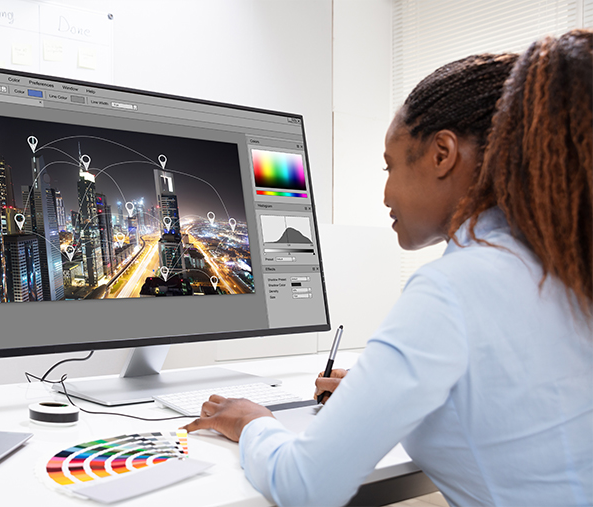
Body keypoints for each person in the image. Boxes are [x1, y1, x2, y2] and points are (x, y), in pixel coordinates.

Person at [184, 30, 592, 507]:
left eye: (389, 166)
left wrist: (252, 421)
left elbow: (304, 485)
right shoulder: (560, 265)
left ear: (442, 154)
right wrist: (377, 393)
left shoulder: (454, 289)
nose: (385, 195)